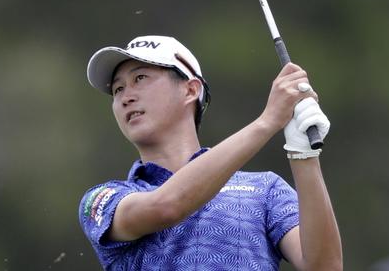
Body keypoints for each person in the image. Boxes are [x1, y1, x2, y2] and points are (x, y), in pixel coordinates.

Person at [79, 35, 342, 270]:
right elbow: (167, 207)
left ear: (190, 90)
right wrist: (267, 121)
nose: (126, 97)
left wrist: (304, 154)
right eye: (118, 89)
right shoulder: (103, 200)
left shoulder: (265, 190)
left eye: (140, 78)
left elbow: (324, 267)